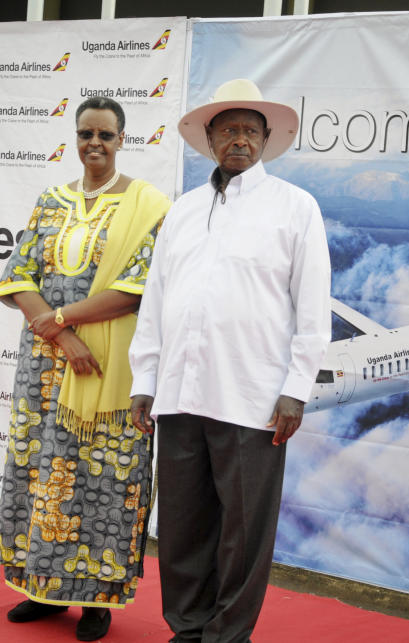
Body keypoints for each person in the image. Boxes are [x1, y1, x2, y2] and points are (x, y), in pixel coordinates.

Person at [128, 79, 332, 643]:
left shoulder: (295, 207)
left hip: (254, 399)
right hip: (179, 394)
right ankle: (187, 628)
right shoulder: (184, 212)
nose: (238, 139)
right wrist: (144, 380)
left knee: (244, 533)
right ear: (211, 139)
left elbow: (312, 310)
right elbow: (156, 302)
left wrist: (296, 389)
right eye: (228, 129)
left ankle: (226, 637)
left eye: (249, 130)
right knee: (184, 527)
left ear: (266, 139)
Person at [0, 96, 170, 641]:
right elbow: (18, 274)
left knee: (102, 477)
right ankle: (40, 589)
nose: (95, 143)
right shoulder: (52, 200)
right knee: (41, 473)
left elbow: (135, 291)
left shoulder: (149, 206)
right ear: (76, 137)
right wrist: (61, 335)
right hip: (44, 369)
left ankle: (96, 601)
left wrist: (61, 320)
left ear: (122, 140)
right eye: (86, 133)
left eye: (106, 135)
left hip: (108, 369)